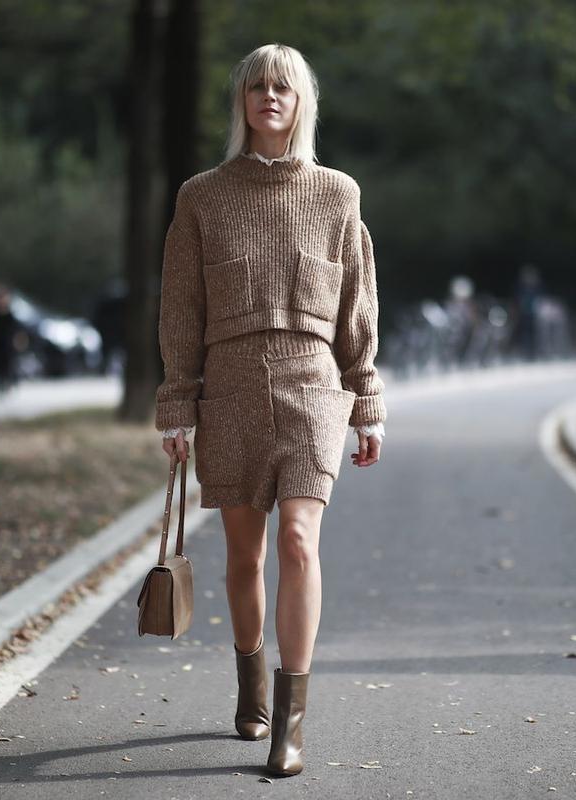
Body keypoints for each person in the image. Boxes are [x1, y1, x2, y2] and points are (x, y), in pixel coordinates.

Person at [155, 43, 386, 778]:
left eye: (282, 86)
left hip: (313, 385)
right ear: (241, 103)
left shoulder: (337, 194)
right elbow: (180, 309)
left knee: (296, 541)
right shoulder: (202, 196)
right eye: (255, 86)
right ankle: (250, 680)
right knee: (244, 554)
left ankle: (291, 721)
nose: (269, 97)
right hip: (227, 388)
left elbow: (357, 304)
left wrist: (367, 401)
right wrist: (177, 405)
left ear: (302, 100)